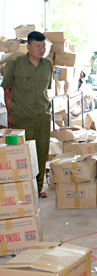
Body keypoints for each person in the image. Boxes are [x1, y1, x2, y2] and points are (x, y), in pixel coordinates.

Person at [1, 31, 53, 198]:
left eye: (43, 46)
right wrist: (10, 114)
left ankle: (37, 189)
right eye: (38, 46)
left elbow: (45, 90)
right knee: (22, 155)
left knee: (41, 152)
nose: (41, 49)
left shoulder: (47, 65)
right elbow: (7, 91)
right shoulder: (15, 64)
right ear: (28, 46)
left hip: (43, 116)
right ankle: (22, 189)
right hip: (22, 117)